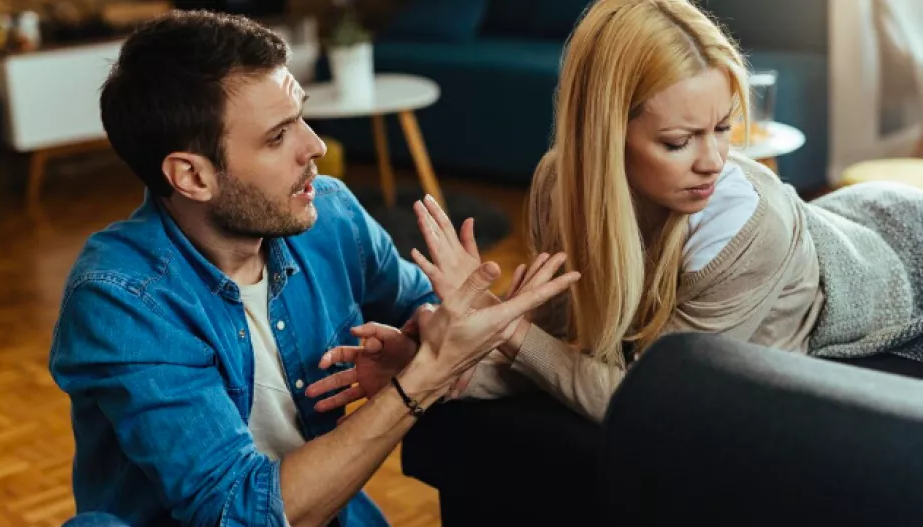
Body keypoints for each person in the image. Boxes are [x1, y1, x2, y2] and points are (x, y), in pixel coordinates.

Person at [47, 10, 579, 527]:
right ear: (192, 176)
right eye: (278, 137)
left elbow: (429, 315)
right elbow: (237, 511)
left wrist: (445, 332)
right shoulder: (121, 298)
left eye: (300, 115)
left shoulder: (331, 214)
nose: (316, 147)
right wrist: (424, 376)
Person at [312, 0, 923, 425]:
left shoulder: (745, 228)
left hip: (898, 256)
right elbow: (567, 348)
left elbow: (652, 401)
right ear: (605, 137)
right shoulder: (561, 183)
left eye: (722, 128)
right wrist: (430, 370)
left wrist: (504, 326)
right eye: (680, 142)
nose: (714, 161)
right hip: (851, 221)